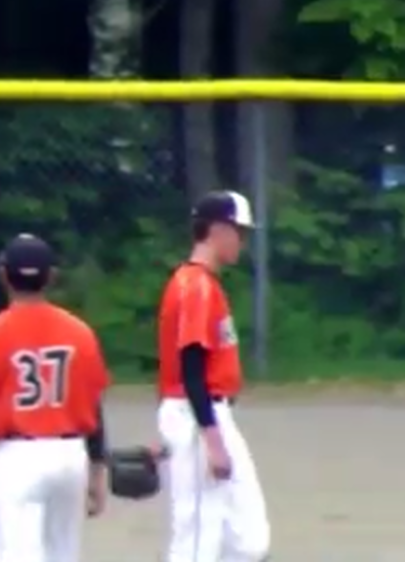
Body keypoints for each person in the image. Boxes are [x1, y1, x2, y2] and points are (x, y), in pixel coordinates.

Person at [0, 234, 111, 562]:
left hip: (18, 458)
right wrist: (96, 470)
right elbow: (93, 405)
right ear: (51, 277)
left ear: (4, 274)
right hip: (70, 456)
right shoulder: (80, 332)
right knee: (62, 554)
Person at [157, 190, 270, 562]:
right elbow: (191, 367)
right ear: (218, 230)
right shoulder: (196, 287)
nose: (243, 240)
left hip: (205, 413)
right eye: (240, 232)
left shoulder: (205, 284)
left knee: (250, 540)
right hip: (198, 415)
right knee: (196, 538)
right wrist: (209, 439)